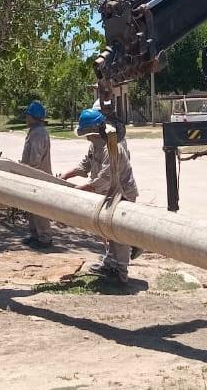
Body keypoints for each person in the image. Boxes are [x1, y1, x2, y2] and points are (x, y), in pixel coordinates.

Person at [60, 108, 139, 283]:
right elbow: (84, 166)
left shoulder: (112, 148)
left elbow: (105, 177)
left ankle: (121, 272)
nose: (86, 137)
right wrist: (66, 175)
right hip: (109, 195)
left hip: (123, 194)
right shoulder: (95, 146)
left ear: (92, 131)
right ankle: (110, 263)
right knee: (107, 230)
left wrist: (80, 189)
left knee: (120, 232)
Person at [19, 100, 52, 248]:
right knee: (32, 208)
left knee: (40, 209)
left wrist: (24, 168)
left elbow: (35, 159)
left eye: (28, 116)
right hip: (31, 176)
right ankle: (35, 235)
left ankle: (44, 238)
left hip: (38, 176)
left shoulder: (39, 133)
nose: (26, 118)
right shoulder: (34, 131)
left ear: (34, 117)